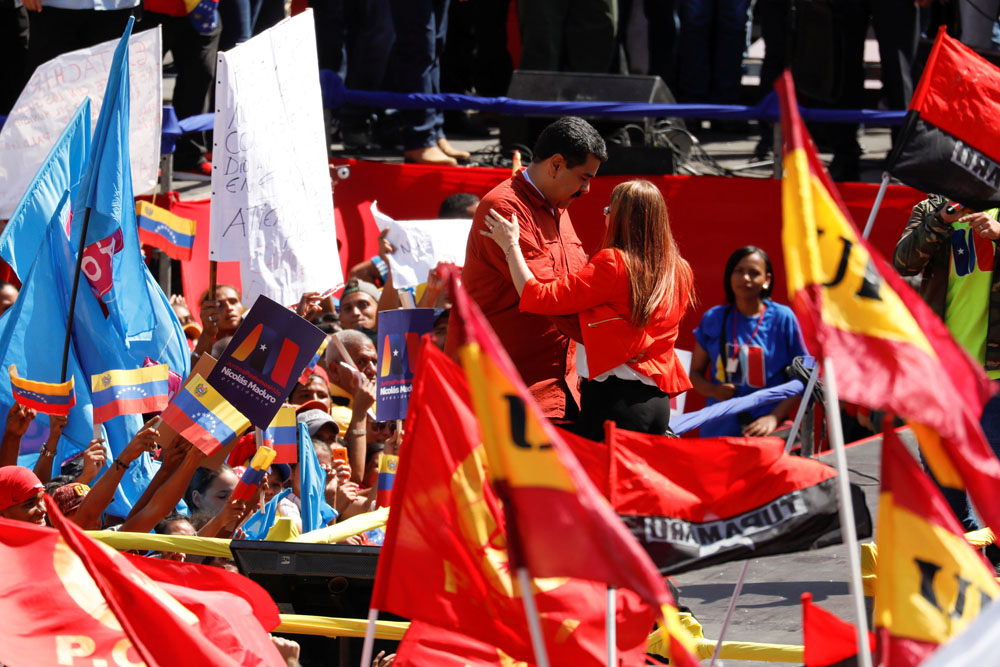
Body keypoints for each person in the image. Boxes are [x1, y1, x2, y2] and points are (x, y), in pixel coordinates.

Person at [481, 179, 695, 440]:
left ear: (621, 218)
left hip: (615, 401)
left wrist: (510, 245)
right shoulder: (680, 269)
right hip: (657, 404)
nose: (605, 215)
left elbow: (538, 296)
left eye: (609, 210)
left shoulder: (614, 263)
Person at [449, 116, 607, 422]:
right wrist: (621, 338)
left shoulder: (558, 206)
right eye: (584, 178)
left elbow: (578, 287)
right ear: (556, 165)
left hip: (557, 391)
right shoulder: (504, 208)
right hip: (506, 398)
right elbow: (549, 298)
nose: (586, 190)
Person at [893, 195, 1000, 529]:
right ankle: (963, 550)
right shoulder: (933, 206)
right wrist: (941, 219)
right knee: (943, 468)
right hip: (941, 368)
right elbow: (903, 262)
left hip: (995, 373)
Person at [689, 246, 808, 437]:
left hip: (765, 434)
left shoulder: (783, 318)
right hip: (717, 433)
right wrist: (714, 390)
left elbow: (804, 378)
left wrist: (774, 418)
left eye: (754, 273)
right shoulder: (714, 318)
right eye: (739, 271)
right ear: (730, 276)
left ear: (767, 280)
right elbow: (694, 374)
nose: (746, 278)